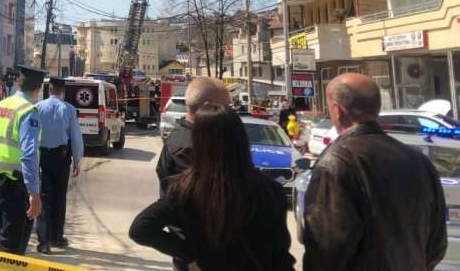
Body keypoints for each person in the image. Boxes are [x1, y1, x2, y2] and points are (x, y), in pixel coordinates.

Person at [303, 73, 447, 270]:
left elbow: (326, 251)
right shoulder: (418, 160)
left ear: (337, 110)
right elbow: (437, 245)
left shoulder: (337, 162)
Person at [130, 104, 294, 271]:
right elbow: (280, 255)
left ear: (199, 143)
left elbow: (141, 229)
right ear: (242, 139)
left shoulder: (185, 189)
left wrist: (190, 255)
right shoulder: (270, 190)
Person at [0, 65, 45, 254]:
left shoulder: (0, 106)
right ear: (39, 88)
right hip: (16, 184)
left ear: (18, 83)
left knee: (7, 235)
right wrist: (34, 194)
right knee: (14, 246)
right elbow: (28, 155)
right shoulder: (28, 111)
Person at [156, 76, 231, 196]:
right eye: (227, 108)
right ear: (207, 108)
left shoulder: (178, 135)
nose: (230, 114)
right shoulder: (192, 147)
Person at [34, 77, 84, 254]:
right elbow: (76, 137)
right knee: (59, 198)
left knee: (44, 198)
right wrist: (77, 160)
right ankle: (57, 237)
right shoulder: (69, 109)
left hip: (43, 157)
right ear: (63, 91)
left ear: (50, 89)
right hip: (62, 158)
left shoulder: (38, 108)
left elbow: (32, 135)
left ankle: (44, 242)